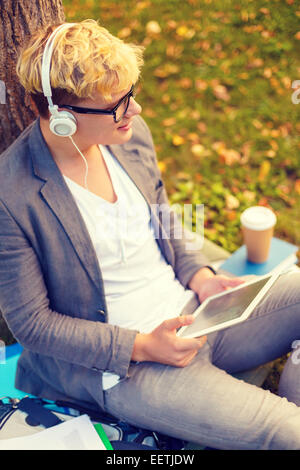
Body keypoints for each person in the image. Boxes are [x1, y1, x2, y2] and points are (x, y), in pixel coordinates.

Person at [1, 19, 300, 450]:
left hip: (202, 311)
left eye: (131, 96)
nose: (135, 111)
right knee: (286, 430)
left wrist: (199, 274)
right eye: (118, 104)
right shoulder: (11, 195)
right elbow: (33, 324)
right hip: (129, 366)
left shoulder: (129, 134)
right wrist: (141, 346)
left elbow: (160, 211)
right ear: (63, 118)